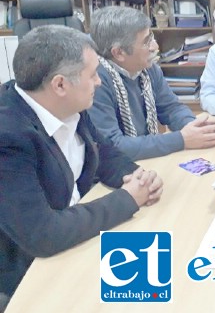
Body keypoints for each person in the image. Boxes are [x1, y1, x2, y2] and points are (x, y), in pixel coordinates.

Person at [0, 26, 164, 308]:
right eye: (93, 75)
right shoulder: (8, 137)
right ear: (60, 85)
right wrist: (127, 198)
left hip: (78, 239)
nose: (99, 83)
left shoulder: (66, 105)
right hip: (34, 272)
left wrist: (135, 175)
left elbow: (103, 151)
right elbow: (42, 234)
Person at [88, 6, 215, 161]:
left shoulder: (148, 69)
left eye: (151, 37)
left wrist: (196, 127)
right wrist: (182, 139)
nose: (155, 47)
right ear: (119, 53)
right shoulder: (95, 82)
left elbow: (171, 108)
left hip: (147, 161)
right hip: (115, 170)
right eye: (146, 42)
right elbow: (114, 145)